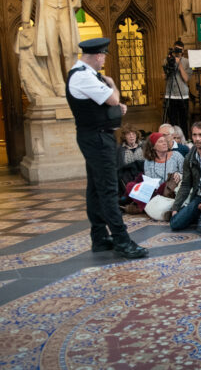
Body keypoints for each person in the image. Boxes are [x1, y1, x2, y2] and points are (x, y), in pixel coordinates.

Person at [66, 37, 147, 259]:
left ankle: (100, 237)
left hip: (96, 137)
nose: (103, 61)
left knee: (95, 187)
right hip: (98, 140)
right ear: (98, 55)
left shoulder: (85, 74)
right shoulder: (83, 76)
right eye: (103, 57)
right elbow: (112, 99)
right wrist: (112, 86)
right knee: (109, 190)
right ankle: (122, 241)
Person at [21, 0, 85, 97]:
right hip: (47, 12)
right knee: (52, 50)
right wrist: (25, 20)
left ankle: (73, 83)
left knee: (70, 48)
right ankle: (58, 85)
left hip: (65, 11)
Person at [123, 132, 184, 215]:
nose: (164, 143)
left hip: (170, 190)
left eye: (165, 141)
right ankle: (150, 207)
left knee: (166, 183)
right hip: (154, 192)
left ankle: (142, 208)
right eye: (160, 141)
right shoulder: (149, 161)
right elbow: (149, 182)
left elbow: (186, 174)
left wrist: (178, 174)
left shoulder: (176, 156)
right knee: (130, 186)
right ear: (153, 146)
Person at [162, 41, 191, 133]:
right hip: (170, 94)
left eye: (180, 50)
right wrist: (169, 66)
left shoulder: (186, 62)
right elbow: (163, 77)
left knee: (184, 120)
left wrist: (180, 65)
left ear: (183, 51)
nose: (178, 51)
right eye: (176, 49)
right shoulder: (167, 60)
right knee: (172, 121)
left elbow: (186, 78)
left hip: (183, 94)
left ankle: (185, 139)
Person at [116, 123, 144, 194]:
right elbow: (118, 168)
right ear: (124, 136)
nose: (131, 136)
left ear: (136, 135)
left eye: (133, 134)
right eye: (128, 134)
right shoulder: (119, 149)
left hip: (143, 178)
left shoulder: (143, 146)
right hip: (127, 180)